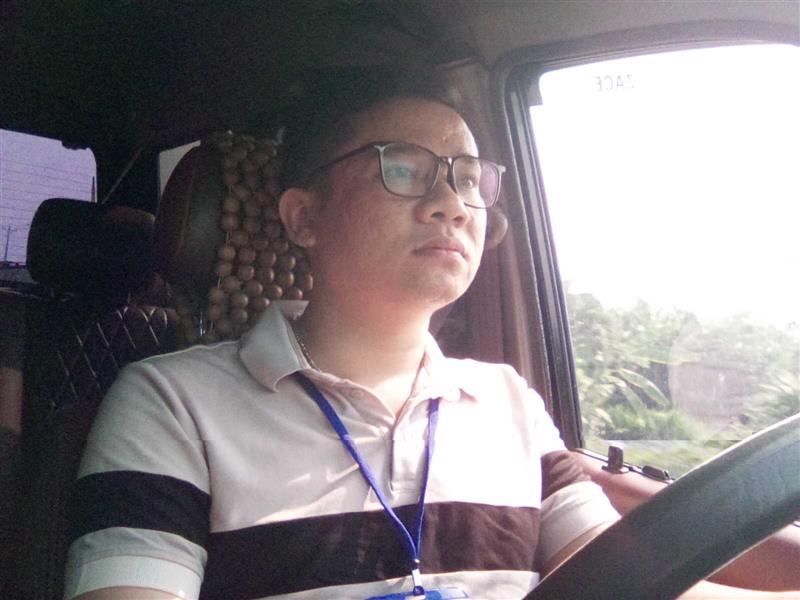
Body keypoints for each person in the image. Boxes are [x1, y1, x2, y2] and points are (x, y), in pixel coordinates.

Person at [65, 79, 797, 600]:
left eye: (469, 178)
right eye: (405, 168)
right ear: (303, 217)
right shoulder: (172, 402)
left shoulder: (509, 402)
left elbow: (630, 580)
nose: (452, 203)